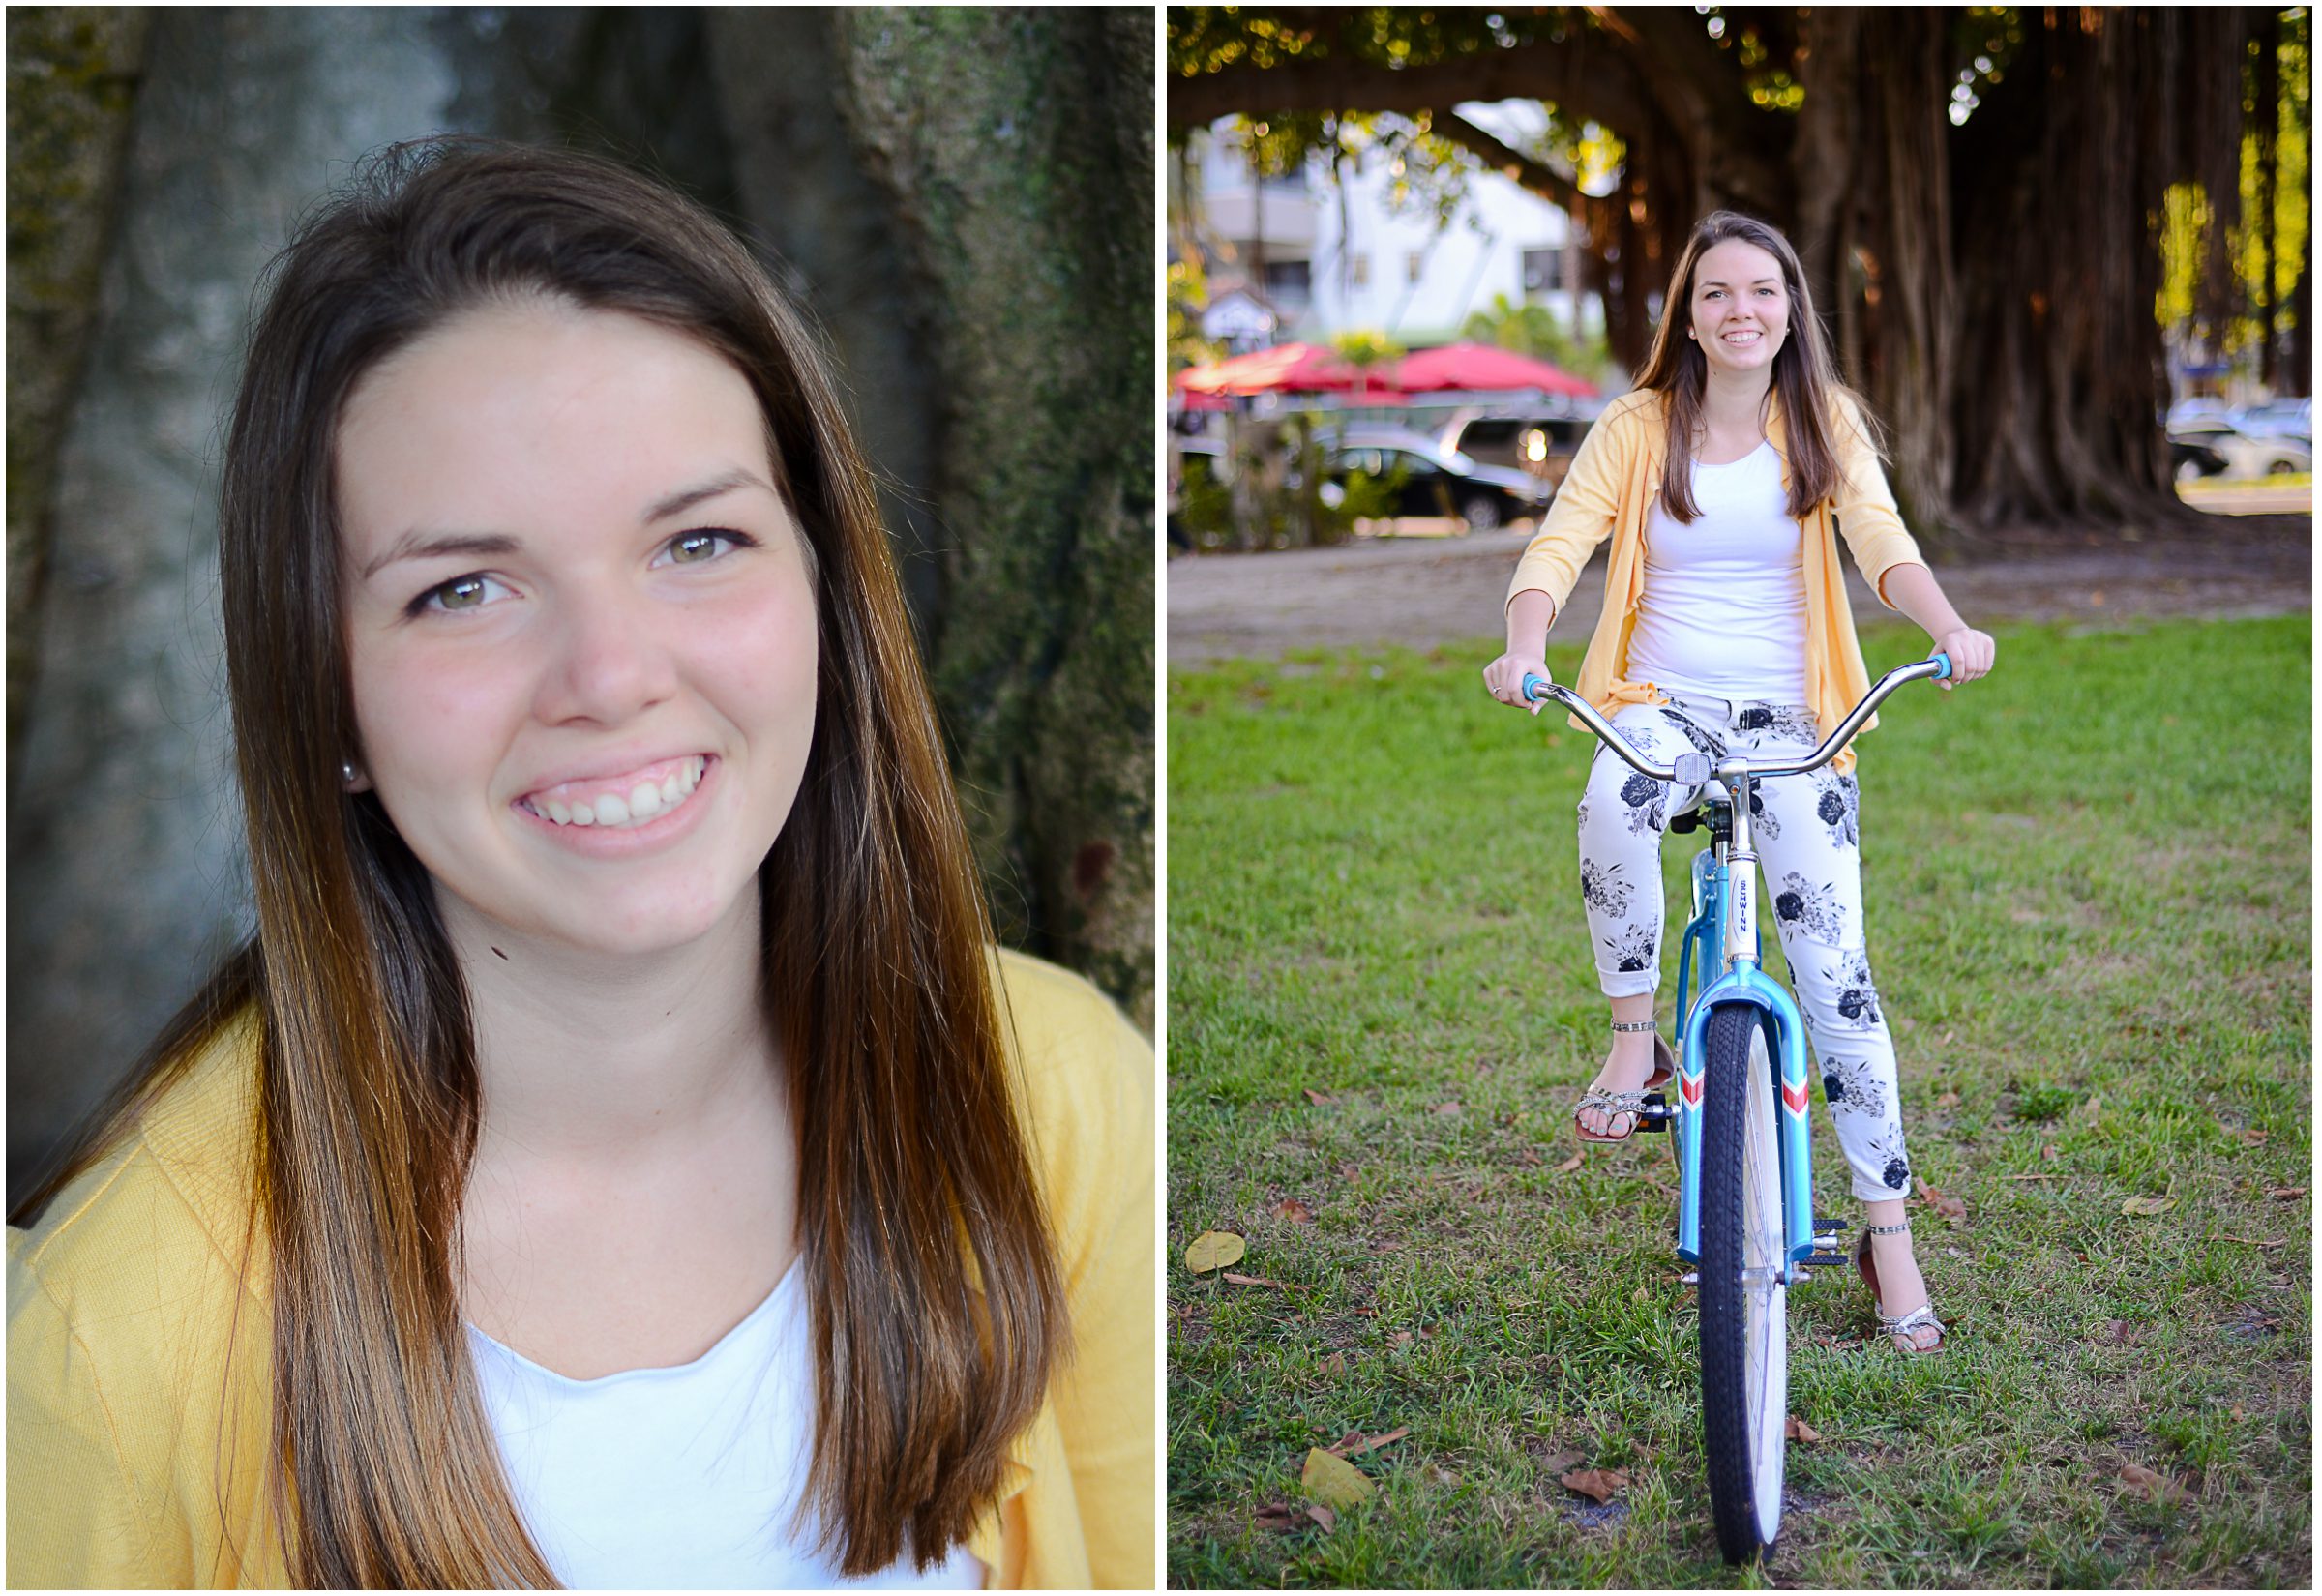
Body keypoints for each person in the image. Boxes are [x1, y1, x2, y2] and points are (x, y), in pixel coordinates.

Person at [7, 138, 1153, 1587]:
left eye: (698, 541)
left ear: (827, 594)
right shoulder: (113, 1340)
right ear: (328, 699)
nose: (609, 677)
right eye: (464, 588)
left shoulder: (1059, 1099)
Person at [1480, 210, 1995, 1356]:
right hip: (1660, 708)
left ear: (1791, 308)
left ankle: (1886, 1232)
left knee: (1839, 989)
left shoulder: (1822, 423)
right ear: (1689, 313)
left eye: (1762, 291)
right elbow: (1558, 547)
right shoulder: (1636, 426)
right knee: (1610, 802)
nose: (1741, 311)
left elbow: (1881, 539)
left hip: (1794, 722)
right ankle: (1635, 1038)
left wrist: (1950, 625)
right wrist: (1527, 646)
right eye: (1717, 293)